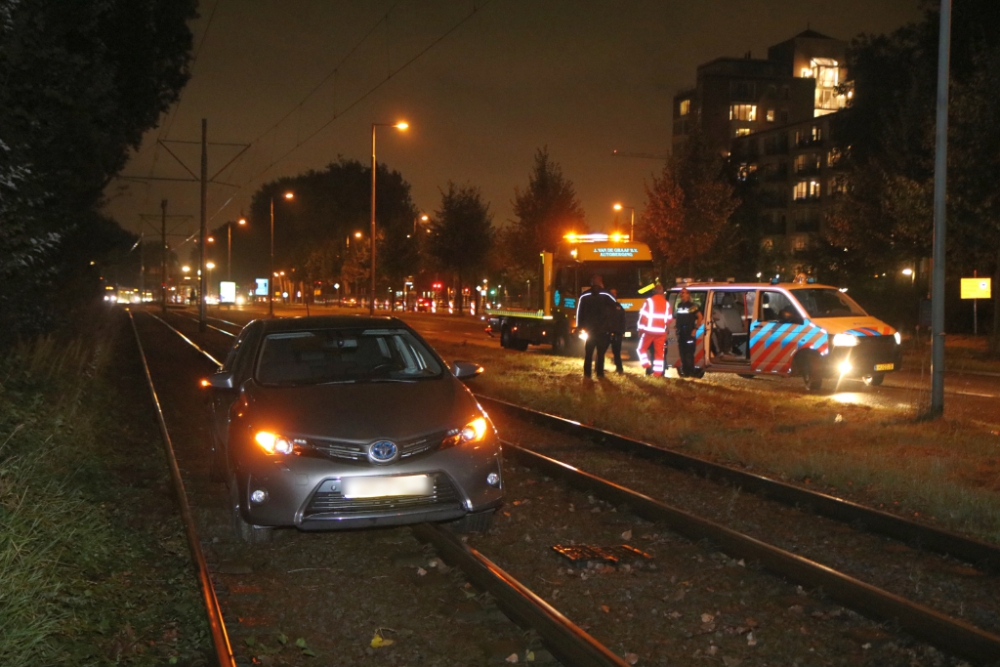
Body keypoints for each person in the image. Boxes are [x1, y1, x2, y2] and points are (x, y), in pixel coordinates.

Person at [575, 275, 616, 378]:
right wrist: (611, 325)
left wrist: (580, 326)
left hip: (590, 330)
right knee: (601, 353)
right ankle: (600, 373)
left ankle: (587, 373)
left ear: (592, 282)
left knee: (588, 353)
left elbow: (580, 311)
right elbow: (614, 307)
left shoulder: (584, 295)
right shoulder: (607, 294)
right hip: (602, 329)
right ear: (601, 282)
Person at [636, 284, 671, 377]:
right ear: (662, 292)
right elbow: (669, 318)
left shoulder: (649, 301)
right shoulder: (666, 303)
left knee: (641, 349)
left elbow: (643, 316)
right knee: (659, 353)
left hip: (649, 331)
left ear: (654, 291)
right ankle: (658, 373)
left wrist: (640, 329)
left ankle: (646, 364)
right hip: (661, 332)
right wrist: (666, 329)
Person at [674, 287, 704, 378]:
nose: (682, 294)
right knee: (682, 354)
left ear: (688, 295)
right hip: (681, 333)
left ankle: (690, 373)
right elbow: (679, 318)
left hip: (689, 332)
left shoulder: (691, 306)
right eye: (681, 293)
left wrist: (695, 329)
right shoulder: (679, 305)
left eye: (684, 293)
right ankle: (686, 373)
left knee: (689, 354)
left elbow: (699, 316)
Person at [609, 288, 626, 374]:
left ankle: (619, 368)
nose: (614, 295)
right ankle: (599, 368)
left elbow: (623, 319)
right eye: (612, 294)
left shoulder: (619, 306)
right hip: (607, 332)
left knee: (617, 351)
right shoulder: (606, 306)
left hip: (617, 333)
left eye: (615, 294)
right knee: (601, 351)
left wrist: (622, 331)